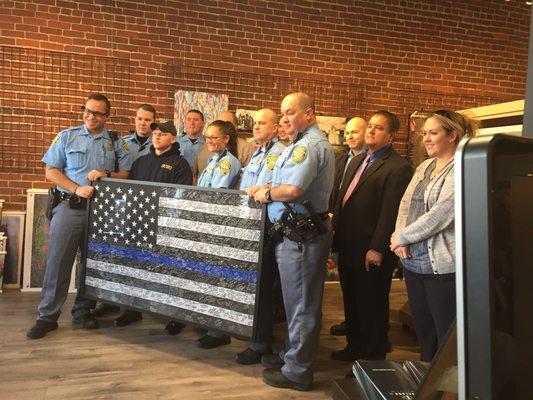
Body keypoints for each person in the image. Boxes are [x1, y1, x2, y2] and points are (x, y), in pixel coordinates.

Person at [26, 93, 131, 340]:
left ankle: (83, 311)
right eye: (87, 110)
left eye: (97, 113)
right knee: (58, 262)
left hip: (103, 212)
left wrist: (106, 174)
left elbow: (126, 173)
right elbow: (50, 172)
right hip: (70, 207)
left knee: (92, 263)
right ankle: (47, 317)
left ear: (107, 116)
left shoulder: (117, 142)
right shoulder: (66, 136)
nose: (90, 116)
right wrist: (76, 188)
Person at [250, 92, 334, 391]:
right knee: (295, 301)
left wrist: (268, 194)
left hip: (302, 234)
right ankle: (290, 353)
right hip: (293, 233)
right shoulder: (300, 143)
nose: (284, 118)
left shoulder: (308, 146)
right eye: (282, 113)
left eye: (290, 112)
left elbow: (295, 188)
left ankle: (297, 370)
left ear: (308, 114)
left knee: (301, 304)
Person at [390, 110, 478, 362]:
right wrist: (399, 236)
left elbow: (441, 215)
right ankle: (427, 381)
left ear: (452, 135)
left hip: (442, 267)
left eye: (433, 133)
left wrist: (404, 236)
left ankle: (446, 388)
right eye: (424, 133)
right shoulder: (425, 165)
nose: (426, 139)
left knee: (445, 335)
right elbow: (405, 203)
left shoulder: (460, 168)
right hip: (412, 263)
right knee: (424, 330)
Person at [331, 111, 412, 362]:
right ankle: (354, 347)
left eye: (378, 128)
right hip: (348, 246)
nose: (371, 131)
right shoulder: (357, 160)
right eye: (370, 126)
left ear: (390, 135)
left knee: (372, 306)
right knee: (352, 302)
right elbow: (343, 201)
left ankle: (372, 358)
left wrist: (377, 248)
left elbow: (390, 214)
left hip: (370, 250)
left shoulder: (398, 167)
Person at [113, 120, 193, 329]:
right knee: (137, 266)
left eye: (163, 133)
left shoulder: (180, 164)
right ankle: (133, 309)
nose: (157, 136)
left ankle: (176, 317)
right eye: (155, 133)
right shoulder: (140, 162)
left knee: (169, 271)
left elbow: (181, 199)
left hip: (166, 225)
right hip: (140, 223)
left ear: (173, 138)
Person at [93, 103, 158, 319]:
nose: (143, 123)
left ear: (153, 122)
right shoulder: (120, 143)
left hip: (145, 207)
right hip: (119, 204)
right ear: (135, 119)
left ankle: (134, 307)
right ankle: (112, 300)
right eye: (140, 118)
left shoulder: (159, 142)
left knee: (138, 257)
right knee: (116, 254)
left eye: (147, 119)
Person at [235, 108, 285, 365]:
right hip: (250, 225)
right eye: (255, 123)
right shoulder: (257, 153)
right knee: (254, 286)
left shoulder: (279, 155)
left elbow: (269, 191)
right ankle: (255, 336)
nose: (256, 127)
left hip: (265, 226)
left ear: (276, 128)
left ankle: (261, 342)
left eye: (262, 123)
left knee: (263, 289)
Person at [195, 119, 242, 349]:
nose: (210, 141)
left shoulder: (227, 163)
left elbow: (218, 197)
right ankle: (209, 323)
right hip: (205, 223)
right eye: (208, 137)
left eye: (215, 137)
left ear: (226, 139)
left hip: (217, 226)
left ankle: (219, 332)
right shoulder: (213, 159)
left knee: (217, 279)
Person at [329, 116, 367, 336]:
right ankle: (350, 321)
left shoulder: (369, 163)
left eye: (356, 132)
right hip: (340, 227)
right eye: (348, 132)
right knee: (347, 283)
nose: (350, 136)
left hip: (360, 233)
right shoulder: (342, 159)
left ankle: (360, 328)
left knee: (362, 289)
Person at [194, 111, 254, 177]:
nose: (222, 128)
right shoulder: (206, 147)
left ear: (236, 126)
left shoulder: (246, 149)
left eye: (227, 124)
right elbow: (196, 176)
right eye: (219, 123)